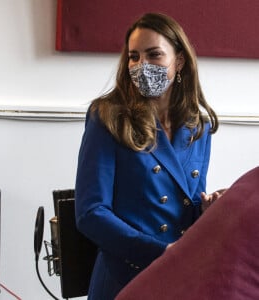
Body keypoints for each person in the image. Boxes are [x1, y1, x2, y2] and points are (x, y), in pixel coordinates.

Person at [75, 12, 220, 300]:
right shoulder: (107, 116)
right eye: (134, 56)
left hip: (178, 274)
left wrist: (205, 210)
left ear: (179, 61)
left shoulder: (197, 127)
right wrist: (156, 251)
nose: (142, 66)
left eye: (154, 55)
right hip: (124, 277)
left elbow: (185, 207)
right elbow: (91, 213)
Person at [115, 167, 259, 300]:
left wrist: (206, 210)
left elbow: (191, 200)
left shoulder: (250, 180)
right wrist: (157, 249)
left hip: (174, 272)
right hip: (127, 264)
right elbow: (95, 210)